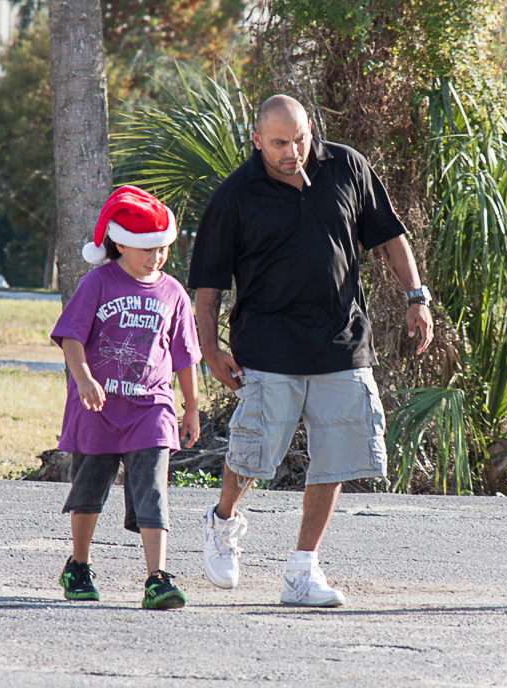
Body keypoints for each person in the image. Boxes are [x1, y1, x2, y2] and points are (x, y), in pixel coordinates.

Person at [188, 94, 434, 607]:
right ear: (257, 141)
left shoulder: (346, 166)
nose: (292, 151)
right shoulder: (233, 197)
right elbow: (207, 289)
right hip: (267, 346)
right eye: (279, 143)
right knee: (252, 454)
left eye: (300, 138)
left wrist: (417, 297)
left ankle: (303, 568)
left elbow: (390, 236)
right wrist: (210, 351)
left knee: (337, 460)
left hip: (341, 343)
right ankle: (223, 521)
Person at [53, 185, 202, 610]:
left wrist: (189, 407)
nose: (156, 257)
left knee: (153, 491)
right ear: (120, 243)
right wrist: (82, 380)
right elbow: (70, 338)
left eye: (162, 248)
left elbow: (184, 355)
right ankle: (78, 565)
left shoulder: (173, 291)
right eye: (147, 249)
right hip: (97, 409)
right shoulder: (98, 282)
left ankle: (157, 578)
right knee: (89, 491)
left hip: (151, 410)